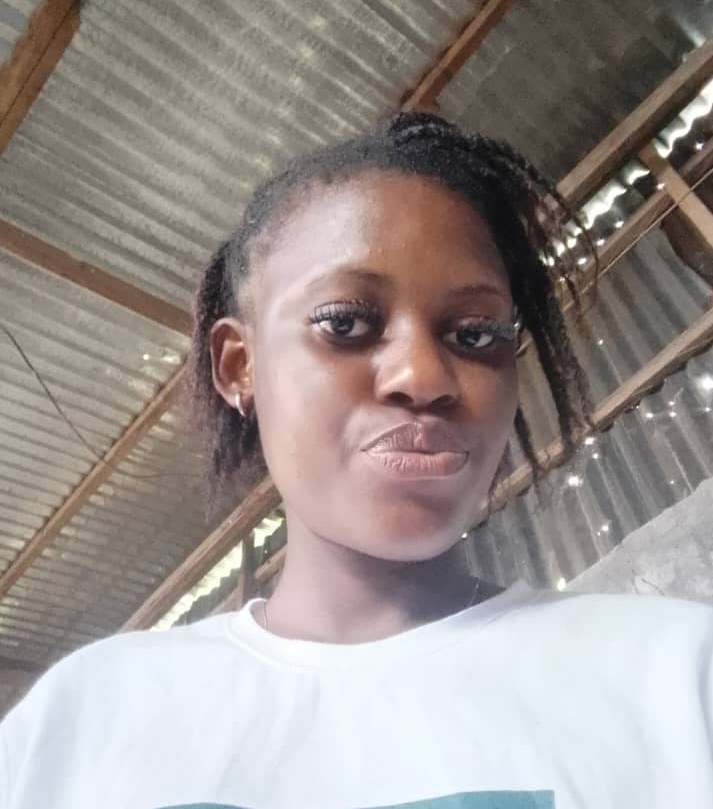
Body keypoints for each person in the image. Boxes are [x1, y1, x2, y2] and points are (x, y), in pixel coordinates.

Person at [1, 112, 712, 809]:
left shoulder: (675, 681)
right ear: (239, 365)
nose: (423, 376)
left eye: (474, 333)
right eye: (344, 323)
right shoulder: (83, 725)